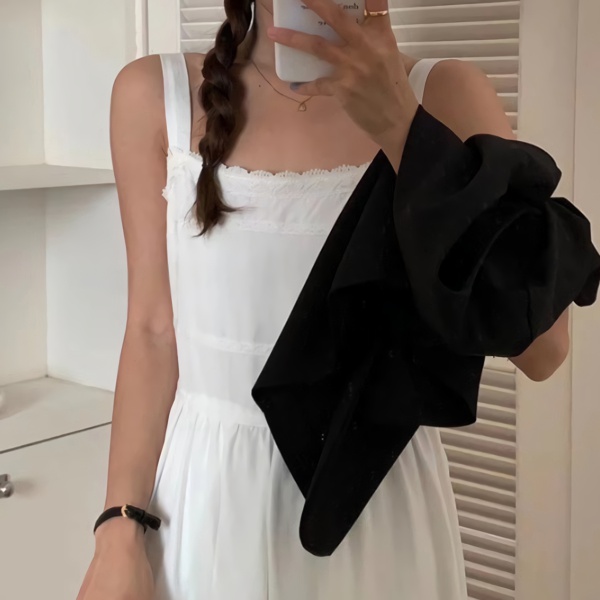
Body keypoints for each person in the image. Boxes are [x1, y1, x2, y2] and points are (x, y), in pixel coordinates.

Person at [77, 0, 571, 598]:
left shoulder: (447, 94)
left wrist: (403, 128)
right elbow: (153, 331)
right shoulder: (155, 95)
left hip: (379, 512)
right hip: (206, 500)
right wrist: (118, 527)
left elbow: (544, 350)